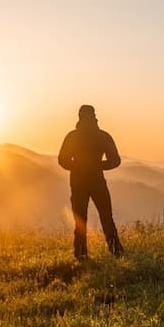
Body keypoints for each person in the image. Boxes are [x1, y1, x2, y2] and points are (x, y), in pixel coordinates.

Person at [58, 104, 123, 260]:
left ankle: (81, 255)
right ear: (94, 117)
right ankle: (116, 252)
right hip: (97, 181)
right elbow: (115, 161)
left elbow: (62, 160)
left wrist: (78, 166)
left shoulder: (72, 136)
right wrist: (98, 165)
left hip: (79, 182)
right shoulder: (103, 136)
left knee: (81, 220)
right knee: (106, 217)